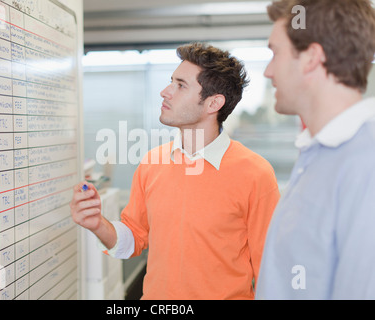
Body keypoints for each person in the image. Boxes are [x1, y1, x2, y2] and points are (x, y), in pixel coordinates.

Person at [71, 42, 280, 300]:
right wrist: (97, 224)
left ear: (213, 103)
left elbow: (271, 272)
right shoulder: (152, 162)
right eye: (171, 81)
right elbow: (134, 239)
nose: (165, 91)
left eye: (180, 85)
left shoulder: (255, 174)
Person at [256, 0, 375, 299]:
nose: (268, 72)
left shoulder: (366, 163)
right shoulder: (319, 153)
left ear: (311, 58)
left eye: (275, 53)